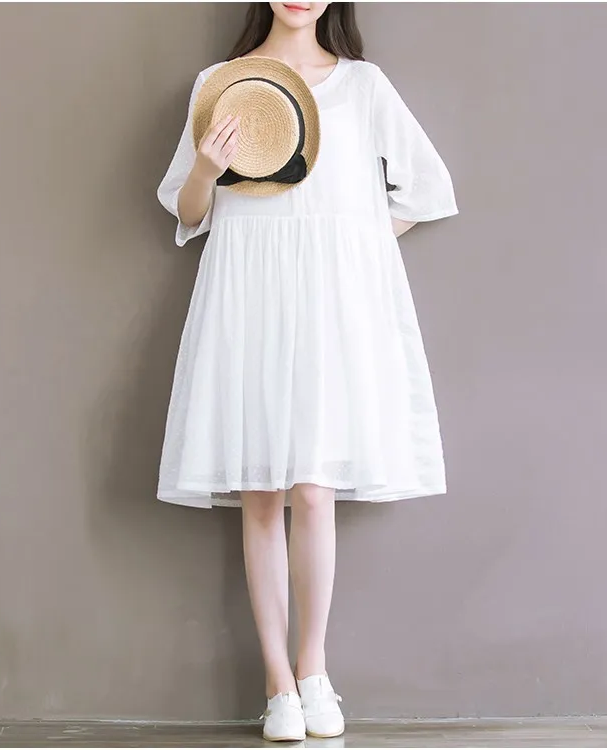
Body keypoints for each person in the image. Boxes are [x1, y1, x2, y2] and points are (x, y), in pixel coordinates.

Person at [156, 2, 458, 741]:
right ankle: (278, 684)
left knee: (314, 490)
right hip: (248, 296)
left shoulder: (363, 86)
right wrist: (207, 167)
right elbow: (188, 213)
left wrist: (353, 249)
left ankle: (314, 670)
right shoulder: (222, 84)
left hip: (329, 308)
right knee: (261, 492)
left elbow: (427, 189)